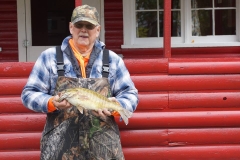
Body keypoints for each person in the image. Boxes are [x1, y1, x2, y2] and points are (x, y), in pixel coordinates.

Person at [21, 4, 138, 160]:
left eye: (89, 26)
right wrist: (51, 102)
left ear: (97, 30)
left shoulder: (112, 60)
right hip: (60, 150)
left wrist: (116, 108)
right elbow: (29, 94)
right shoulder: (49, 57)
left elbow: (130, 94)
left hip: (104, 150)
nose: (83, 30)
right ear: (71, 27)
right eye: (79, 25)